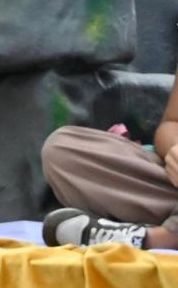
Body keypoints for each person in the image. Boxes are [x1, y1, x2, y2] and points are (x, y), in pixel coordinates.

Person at [41, 76, 178, 250]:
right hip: (169, 191)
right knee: (61, 150)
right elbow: (172, 123)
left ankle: (155, 239)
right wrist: (174, 149)